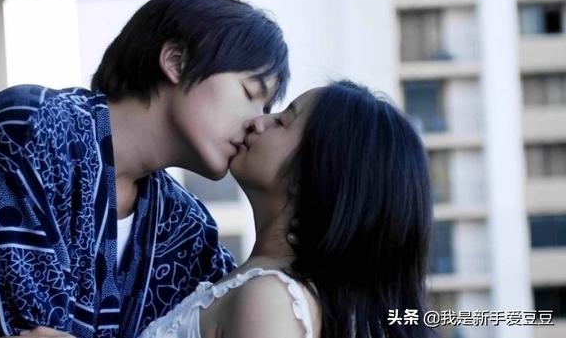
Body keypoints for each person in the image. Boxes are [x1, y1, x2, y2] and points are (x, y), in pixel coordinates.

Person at [0, 0, 289, 337]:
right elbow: (29, 330)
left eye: (266, 107)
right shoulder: (34, 127)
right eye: (250, 92)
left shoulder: (186, 227)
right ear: (176, 62)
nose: (257, 121)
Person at [22, 79, 435, 338]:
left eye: (284, 120)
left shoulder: (271, 299)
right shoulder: (240, 278)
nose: (258, 122)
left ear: (318, 172)